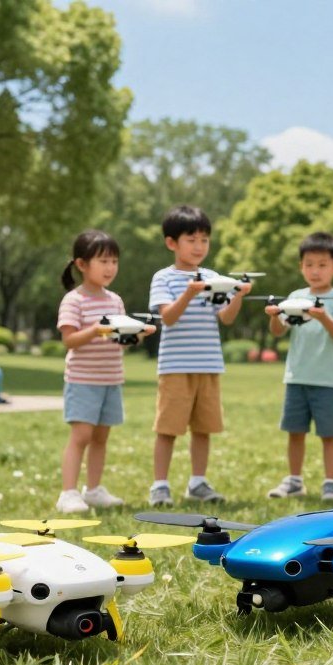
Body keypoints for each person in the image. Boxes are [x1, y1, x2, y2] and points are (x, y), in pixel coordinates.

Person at [148, 205, 251, 507]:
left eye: (204, 240)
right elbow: (167, 317)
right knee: (168, 429)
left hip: (208, 365)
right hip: (176, 367)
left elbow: (227, 318)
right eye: (191, 240)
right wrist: (190, 293)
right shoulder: (163, 278)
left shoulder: (213, 277)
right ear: (172, 243)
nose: (199, 246)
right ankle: (160, 485)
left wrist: (238, 296)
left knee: (203, 428)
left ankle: (198, 482)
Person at [56, 230, 151, 514]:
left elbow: (119, 343)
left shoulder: (115, 300)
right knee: (81, 436)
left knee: (101, 438)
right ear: (82, 264)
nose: (110, 267)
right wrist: (96, 330)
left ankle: (94, 490)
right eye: (104, 261)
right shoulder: (74, 300)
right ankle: (68, 493)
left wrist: (135, 335)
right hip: (83, 380)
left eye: (114, 261)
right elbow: (69, 340)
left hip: (111, 379)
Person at [265, 232, 333, 502]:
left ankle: (330, 483)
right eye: (309, 264)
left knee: (329, 434)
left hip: (328, 380)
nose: (315, 271)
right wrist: (275, 315)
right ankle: (294, 480)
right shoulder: (295, 296)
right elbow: (279, 331)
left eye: (322, 264)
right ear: (301, 266)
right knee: (295, 432)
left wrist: (322, 315)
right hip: (296, 377)